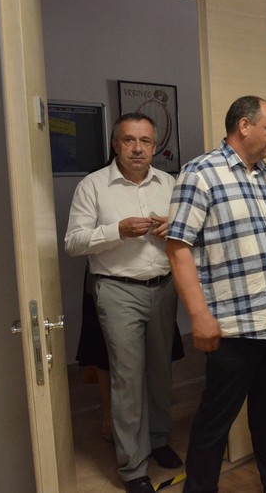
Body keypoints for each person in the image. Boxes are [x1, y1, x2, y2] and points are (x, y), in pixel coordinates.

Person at [166, 96, 266, 493]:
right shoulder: (200, 174)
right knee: (216, 419)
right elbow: (178, 248)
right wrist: (199, 315)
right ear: (244, 126)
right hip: (233, 327)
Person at [65, 113, 181, 493]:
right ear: (116, 144)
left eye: (145, 141)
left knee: (160, 372)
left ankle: (159, 440)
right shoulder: (93, 185)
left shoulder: (170, 184)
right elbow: (73, 242)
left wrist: (172, 229)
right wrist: (117, 230)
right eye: (129, 140)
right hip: (117, 290)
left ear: (155, 146)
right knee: (127, 379)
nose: (137, 149)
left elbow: (190, 231)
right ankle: (133, 467)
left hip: (164, 287)